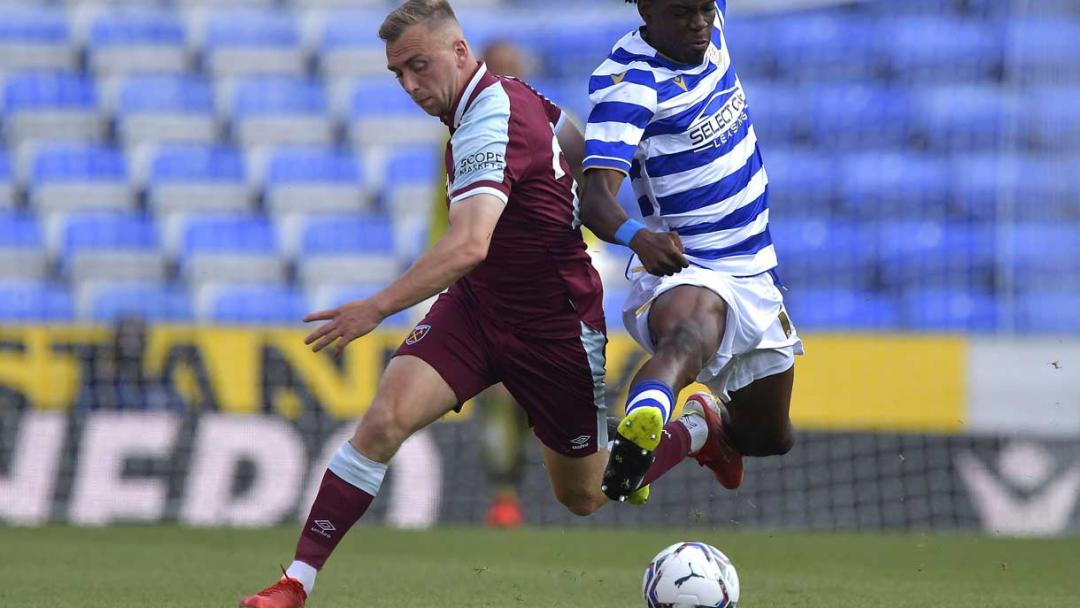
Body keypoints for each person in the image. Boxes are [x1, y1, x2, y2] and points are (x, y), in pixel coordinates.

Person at [239, 2, 723, 606]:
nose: (412, 85)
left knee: (585, 493)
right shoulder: (511, 95)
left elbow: (469, 243)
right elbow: (576, 149)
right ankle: (295, 583)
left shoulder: (490, 118)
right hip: (478, 308)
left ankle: (700, 427)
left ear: (460, 51)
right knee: (384, 421)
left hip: (555, 327)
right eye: (399, 74)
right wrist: (606, 221)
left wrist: (376, 307)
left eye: (420, 65)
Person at [577, 0, 804, 502]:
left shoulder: (712, 23)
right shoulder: (630, 85)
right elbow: (594, 199)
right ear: (647, 9)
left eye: (704, 9)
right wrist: (637, 236)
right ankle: (643, 422)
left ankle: (696, 429)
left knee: (769, 437)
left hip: (755, 273)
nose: (700, 22)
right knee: (686, 337)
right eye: (683, 14)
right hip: (689, 267)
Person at [427, 39, 537, 529]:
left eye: (517, 72)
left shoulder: (553, 127)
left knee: (534, 394)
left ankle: (520, 479)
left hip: (549, 280)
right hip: (482, 277)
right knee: (499, 390)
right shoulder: (461, 135)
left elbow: (584, 203)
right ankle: (504, 494)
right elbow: (445, 216)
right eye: (501, 72)